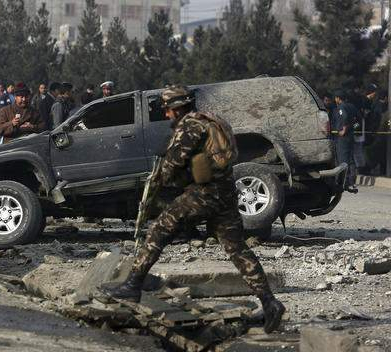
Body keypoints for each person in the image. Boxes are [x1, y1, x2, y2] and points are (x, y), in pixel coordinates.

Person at [99, 85, 285, 334]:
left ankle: (132, 286)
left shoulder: (189, 126)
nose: (166, 116)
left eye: (167, 111)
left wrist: (163, 174)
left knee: (159, 230)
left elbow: (173, 165)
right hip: (226, 192)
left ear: (176, 109)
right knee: (237, 248)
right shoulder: (211, 120)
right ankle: (270, 302)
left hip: (204, 194)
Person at [333, 90, 357, 192]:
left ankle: (344, 183)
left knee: (343, 160)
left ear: (338, 98)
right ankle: (352, 181)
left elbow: (345, 117)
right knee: (351, 159)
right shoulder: (352, 106)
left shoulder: (341, 107)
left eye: (335, 98)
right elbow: (359, 120)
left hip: (343, 138)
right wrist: (352, 128)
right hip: (351, 136)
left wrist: (344, 129)